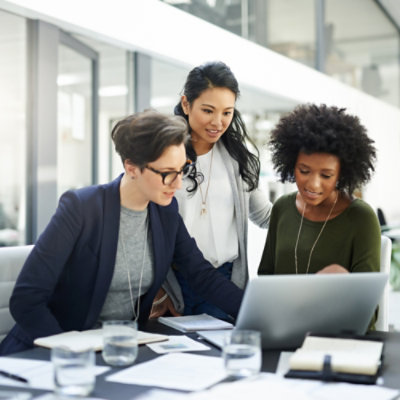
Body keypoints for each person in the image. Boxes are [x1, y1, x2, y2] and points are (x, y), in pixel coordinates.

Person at [0, 110, 243, 356]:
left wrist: (252, 311)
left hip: (120, 350)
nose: (178, 184)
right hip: (52, 353)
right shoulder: (82, 208)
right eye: (167, 173)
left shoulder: (165, 212)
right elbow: (26, 300)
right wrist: (71, 353)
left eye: (182, 170)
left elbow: (200, 274)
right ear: (132, 167)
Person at [151, 61, 271, 320]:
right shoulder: (162, 155)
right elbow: (144, 225)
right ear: (186, 104)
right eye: (208, 110)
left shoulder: (238, 159)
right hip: (173, 285)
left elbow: (265, 215)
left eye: (227, 112)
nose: (218, 122)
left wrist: (316, 204)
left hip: (224, 282)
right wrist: (159, 289)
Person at [258, 103, 380, 278]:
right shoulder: (282, 208)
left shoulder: (361, 217)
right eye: (304, 171)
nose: (313, 185)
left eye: (326, 175)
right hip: (281, 306)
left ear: (341, 174)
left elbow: (367, 300)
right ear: (292, 165)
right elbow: (265, 276)